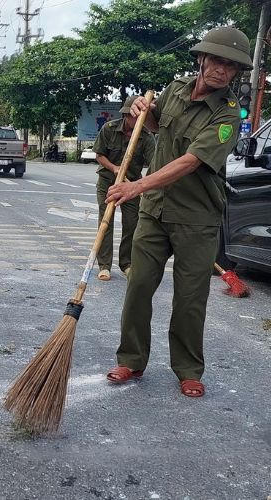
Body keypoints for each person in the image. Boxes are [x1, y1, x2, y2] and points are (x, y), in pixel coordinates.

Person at [104, 26, 251, 398]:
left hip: (197, 217)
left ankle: (187, 369)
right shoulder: (176, 89)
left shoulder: (228, 115)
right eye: (216, 60)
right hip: (155, 211)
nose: (222, 70)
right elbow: (156, 127)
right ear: (201, 59)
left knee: (189, 298)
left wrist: (137, 186)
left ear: (236, 73)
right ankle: (131, 359)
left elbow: (190, 161)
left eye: (231, 66)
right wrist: (143, 110)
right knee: (138, 286)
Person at [92, 95, 156, 281]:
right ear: (127, 115)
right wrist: (114, 168)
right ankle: (104, 265)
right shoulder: (109, 128)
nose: (136, 120)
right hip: (108, 182)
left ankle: (126, 264)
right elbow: (99, 155)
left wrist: (145, 184)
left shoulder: (146, 136)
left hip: (130, 185)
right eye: (133, 116)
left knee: (132, 223)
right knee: (106, 221)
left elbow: (153, 163)